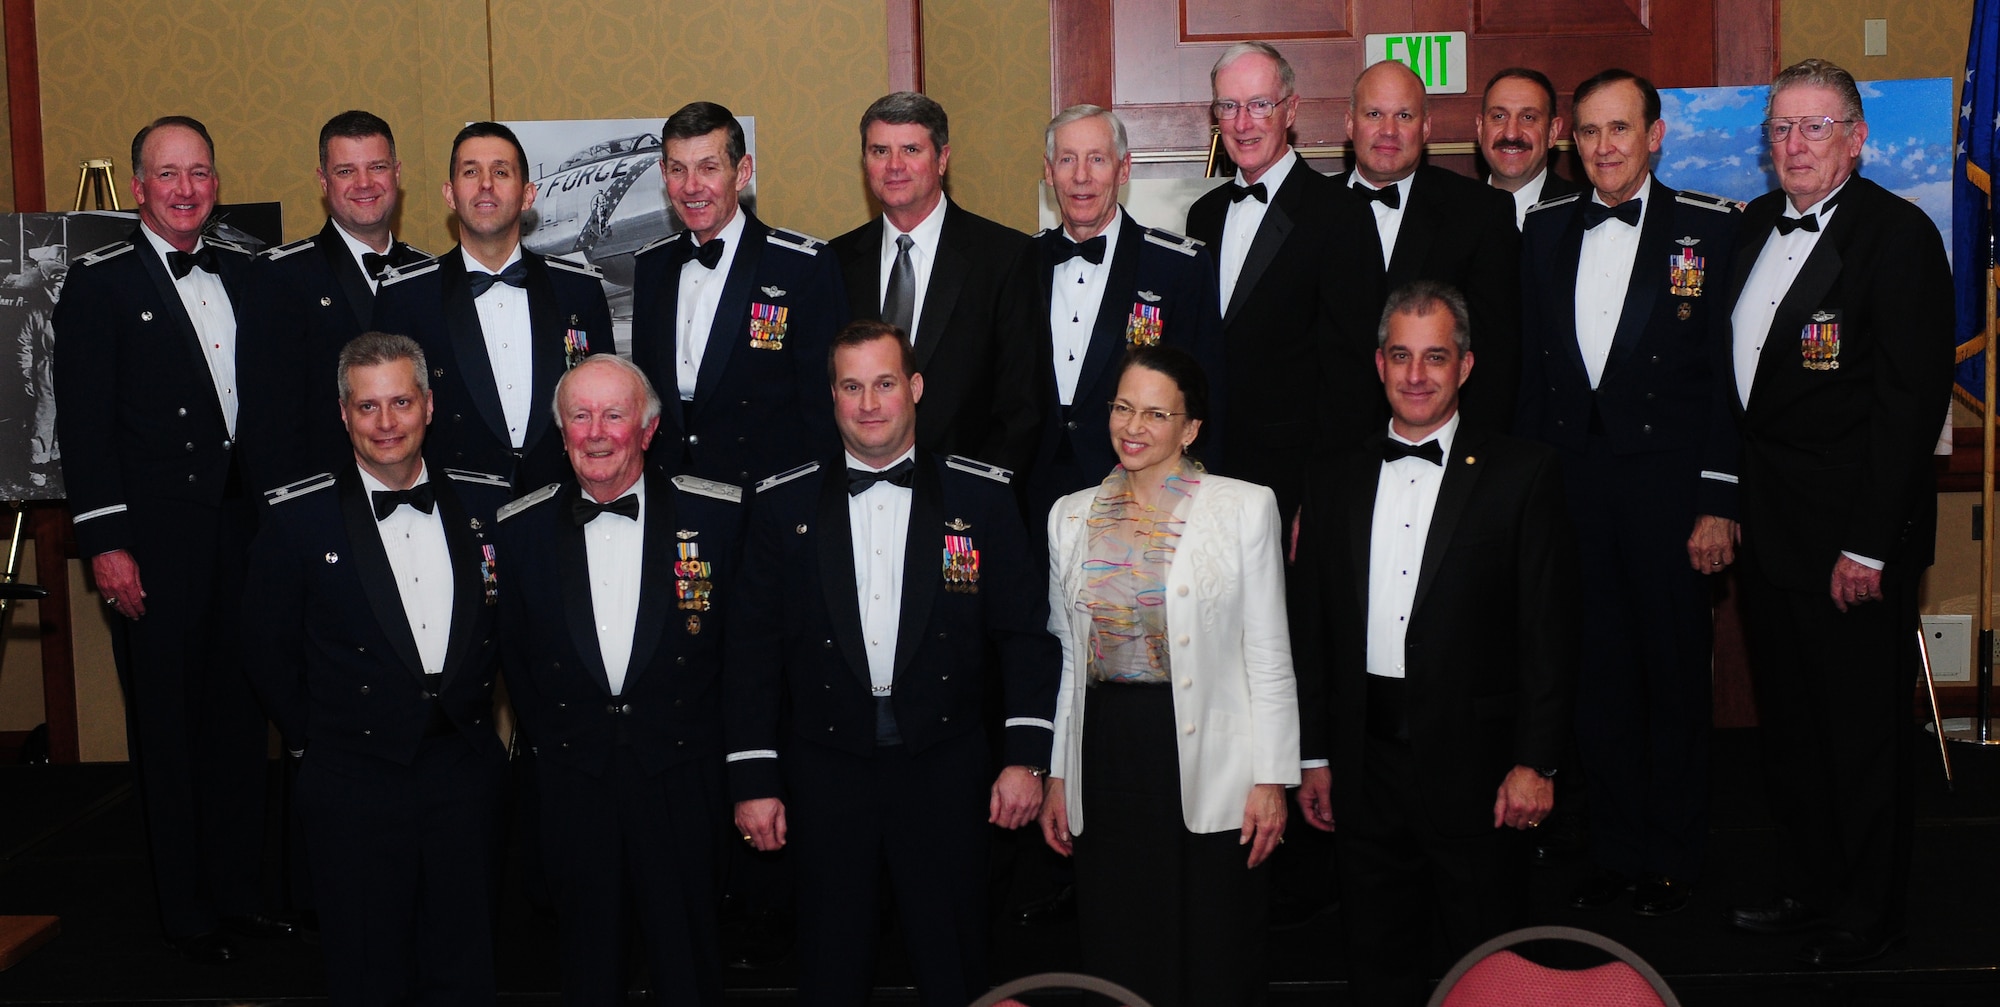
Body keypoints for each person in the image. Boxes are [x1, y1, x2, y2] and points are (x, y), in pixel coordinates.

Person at [725, 320, 1058, 1007]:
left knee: (955, 964)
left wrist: (1026, 757)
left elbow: (1025, 634)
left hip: (945, 765)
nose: (869, 403)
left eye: (883, 383)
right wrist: (754, 777)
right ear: (832, 395)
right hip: (825, 769)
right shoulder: (782, 502)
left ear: (915, 387)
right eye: (851, 386)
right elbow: (751, 648)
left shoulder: (981, 498)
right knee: (831, 967)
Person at [1720, 58, 1954, 967]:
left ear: (1858, 138)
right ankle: (1806, 886)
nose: (1794, 144)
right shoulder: (1746, 232)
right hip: (1769, 530)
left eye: (1816, 127)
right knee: (1791, 732)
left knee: (1861, 739)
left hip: (1850, 542)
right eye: (1782, 127)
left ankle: (1870, 910)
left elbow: (1907, 405)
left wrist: (1869, 544)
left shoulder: (1897, 238)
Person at [1290, 282, 1577, 1006]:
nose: (1417, 375)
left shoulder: (1523, 472)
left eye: (1436, 357)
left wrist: (1534, 761)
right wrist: (1315, 754)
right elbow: (1313, 630)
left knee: (1489, 964)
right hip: (1362, 767)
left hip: (1479, 772)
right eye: (1401, 356)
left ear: (1467, 366)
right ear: (1378, 364)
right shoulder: (1331, 478)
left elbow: (1548, 632)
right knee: (1375, 960)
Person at [52, 115, 290, 964]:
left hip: (246, 536)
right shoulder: (98, 283)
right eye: (167, 174)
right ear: (140, 187)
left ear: (215, 183)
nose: (185, 189)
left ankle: (240, 894)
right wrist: (106, 544)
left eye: (199, 173)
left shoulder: (249, 274)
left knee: (239, 721)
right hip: (153, 544)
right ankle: (185, 910)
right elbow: (84, 429)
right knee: (169, 725)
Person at [1516, 67, 1741, 917]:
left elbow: (1728, 378)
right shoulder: (1542, 230)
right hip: (1574, 488)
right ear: (1571, 143)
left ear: (1655, 134)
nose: (1604, 147)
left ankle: (1675, 855)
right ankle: (1614, 851)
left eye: (1620, 129)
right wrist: (1529, 507)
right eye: (1589, 132)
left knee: (1675, 675)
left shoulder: (1710, 230)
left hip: (1671, 492)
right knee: (1595, 676)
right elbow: (1534, 375)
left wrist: (1720, 499)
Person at [244, 332, 512, 1005]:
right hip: (354, 780)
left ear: (428, 404)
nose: (385, 423)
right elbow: (264, 647)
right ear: (343, 414)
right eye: (367, 407)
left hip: (462, 772)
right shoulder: (297, 519)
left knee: (466, 969)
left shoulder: (488, 507)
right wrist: (315, 743)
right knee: (367, 975)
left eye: (399, 402)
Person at [1038, 345, 1297, 1007]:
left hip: (1212, 758)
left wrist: (1273, 777)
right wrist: (1060, 775)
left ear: (1190, 428)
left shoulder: (1244, 507)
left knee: (1215, 953)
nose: (1134, 425)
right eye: (1123, 407)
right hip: (1108, 753)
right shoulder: (1069, 515)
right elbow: (1071, 658)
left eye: (1157, 413)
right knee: (1121, 948)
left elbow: (1268, 653)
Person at [496, 354, 746, 1004]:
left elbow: (742, 657)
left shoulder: (719, 520)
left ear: (648, 428)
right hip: (573, 784)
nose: (598, 431)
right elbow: (515, 661)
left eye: (615, 413)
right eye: (580, 415)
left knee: (688, 968)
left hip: (681, 779)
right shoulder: (518, 530)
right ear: (561, 429)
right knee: (586, 971)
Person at [1184, 41, 1382, 518]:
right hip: (1204, 476)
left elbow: (1353, 378)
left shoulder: (1341, 215)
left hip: (1293, 485)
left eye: (1259, 105)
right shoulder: (1202, 216)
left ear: (1290, 109)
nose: (1243, 122)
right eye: (1228, 106)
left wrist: (1316, 498)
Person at [373, 121, 613, 493]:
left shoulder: (579, 290)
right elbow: (386, 421)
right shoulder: (406, 298)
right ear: (450, 195)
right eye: (471, 172)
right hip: (454, 507)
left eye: (501, 172)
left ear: (528, 194)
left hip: (564, 501)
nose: (486, 184)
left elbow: (607, 411)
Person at [1022, 104, 1226, 539]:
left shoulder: (1178, 268)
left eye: (1097, 159)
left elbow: (1205, 395)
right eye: (1067, 159)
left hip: (1142, 493)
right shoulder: (1015, 264)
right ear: (1048, 171)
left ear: (1124, 168)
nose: (1081, 176)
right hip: (1031, 497)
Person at [629, 100, 846, 487]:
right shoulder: (651, 265)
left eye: (708, 168)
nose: (692, 186)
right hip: (671, 489)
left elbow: (823, 406)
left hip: (764, 492)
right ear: (664, 174)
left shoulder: (801, 267)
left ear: (742, 171)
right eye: (678, 170)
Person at [829, 92, 1043, 476]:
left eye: (911, 149)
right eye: (880, 151)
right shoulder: (834, 261)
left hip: (969, 499)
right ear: (865, 162)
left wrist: (975, 497)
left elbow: (1022, 406)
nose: (894, 166)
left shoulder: (1005, 258)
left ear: (942, 159)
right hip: (854, 498)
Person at [241, 111, 430, 495]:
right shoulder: (280, 278)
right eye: (345, 171)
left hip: (424, 499)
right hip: (327, 506)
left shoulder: (430, 273)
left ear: (397, 173)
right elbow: (268, 426)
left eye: (376, 167)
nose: (364, 183)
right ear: (323, 181)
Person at [1334, 59, 1524, 431]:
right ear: (1349, 123)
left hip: (1446, 444)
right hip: (1329, 451)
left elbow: (1499, 354)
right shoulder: (1307, 210)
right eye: (1374, 113)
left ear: (1426, 128)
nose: (1388, 131)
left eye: (1404, 116)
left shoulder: (1481, 213)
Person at [1476, 68, 1582, 227]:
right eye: (1499, 116)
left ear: (1552, 132)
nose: (1511, 134)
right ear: (1480, 128)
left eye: (1528, 117)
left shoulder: (1583, 213)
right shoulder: (1453, 215)